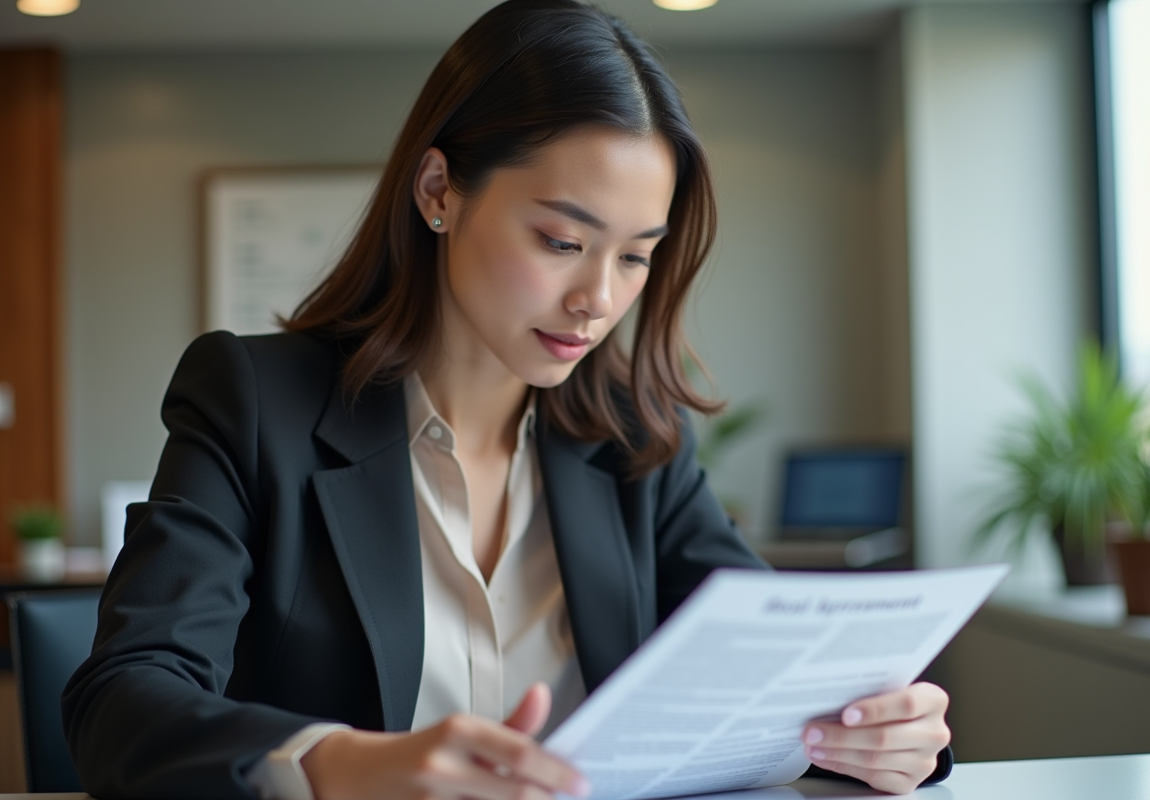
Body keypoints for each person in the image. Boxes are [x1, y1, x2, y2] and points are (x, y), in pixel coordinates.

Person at [63, 1, 952, 798]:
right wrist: (338, 764)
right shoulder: (257, 402)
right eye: (563, 240)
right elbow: (122, 703)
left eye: (636, 255)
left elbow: (780, 674)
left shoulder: (638, 439)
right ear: (440, 191)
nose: (599, 299)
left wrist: (885, 733)